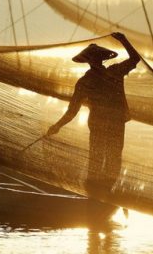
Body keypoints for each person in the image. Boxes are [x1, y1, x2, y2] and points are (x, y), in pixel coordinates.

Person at [46, 32, 140, 196]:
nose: (95, 61)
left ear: (98, 59)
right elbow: (72, 110)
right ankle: (98, 193)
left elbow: (135, 59)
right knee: (105, 158)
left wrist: (124, 39)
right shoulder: (103, 76)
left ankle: (100, 193)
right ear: (91, 60)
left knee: (108, 158)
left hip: (109, 123)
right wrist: (57, 126)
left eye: (97, 58)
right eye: (94, 58)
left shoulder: (110, 73)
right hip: (107, 123)